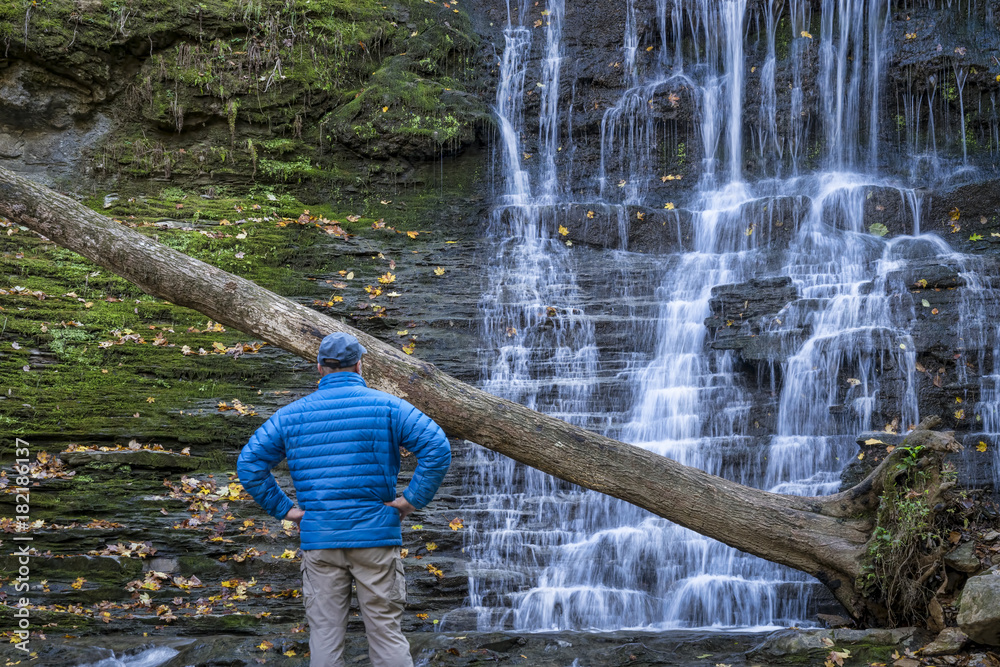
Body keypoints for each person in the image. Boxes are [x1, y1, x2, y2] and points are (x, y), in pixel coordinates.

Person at [237, 331, 452, 667]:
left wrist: (287, 510)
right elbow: (437, 447)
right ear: (359, 365)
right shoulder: (388, 407)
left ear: (319, 367)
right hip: (376, 537)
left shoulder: (290, 415)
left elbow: (249, 463)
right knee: (386, 633)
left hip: (321, 538)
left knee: (324, 635)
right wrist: (409, 501)